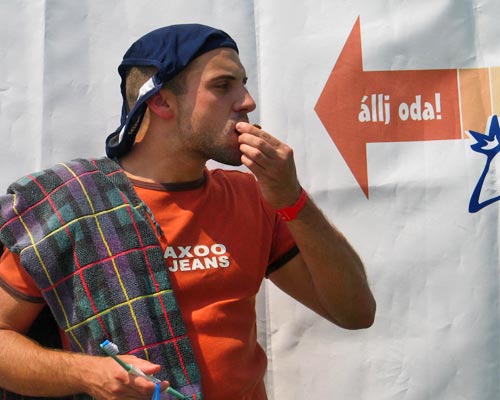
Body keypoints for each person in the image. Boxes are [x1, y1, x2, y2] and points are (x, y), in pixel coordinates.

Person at [0, 24, 376, 400]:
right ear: (162, 102)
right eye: (223, 85)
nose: (247, 102)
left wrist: (293, 200)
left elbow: (355, 312)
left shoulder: (253, 198)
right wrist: (87, 374)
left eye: (243, 84)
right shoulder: (70, 205)